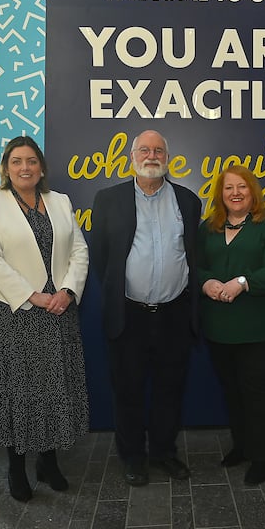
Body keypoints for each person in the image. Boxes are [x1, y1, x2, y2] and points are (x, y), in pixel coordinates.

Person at [0, 136, 89, 502]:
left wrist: (67, 292)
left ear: (41, 167)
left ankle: (48, 462)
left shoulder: (60, 201)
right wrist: (32, 295)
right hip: (14, 310)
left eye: (32, 161)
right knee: (18, 388)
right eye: (17, 161)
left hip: (58, 309)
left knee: (54, 385)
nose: (25, 168)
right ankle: (16, 466)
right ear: (6, 167)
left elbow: (79, 250)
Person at [91, 129, 202, 487]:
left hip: (174, 313)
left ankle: (164, 453)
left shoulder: (187, 200)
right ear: (132, 156)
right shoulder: (108, 199)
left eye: (158, 150)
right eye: (144, 149)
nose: (151, 155)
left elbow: (192, 255)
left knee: (171, 389)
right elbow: (101, 258)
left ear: (167, 157)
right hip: (129, 314)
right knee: (128, 390)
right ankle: (133, 458)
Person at [198, 165, 265, 485]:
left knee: (258, 393)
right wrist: (207, 282)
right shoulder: (208, 228)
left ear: (253, 191)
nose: (236, 193)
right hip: (219, 329)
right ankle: (241, 446)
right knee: (232, 392)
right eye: (229, 188)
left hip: (260, 329)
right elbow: (194, 266)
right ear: (220, 194)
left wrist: (243, 282)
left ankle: (262, 456)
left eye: (242, 187)